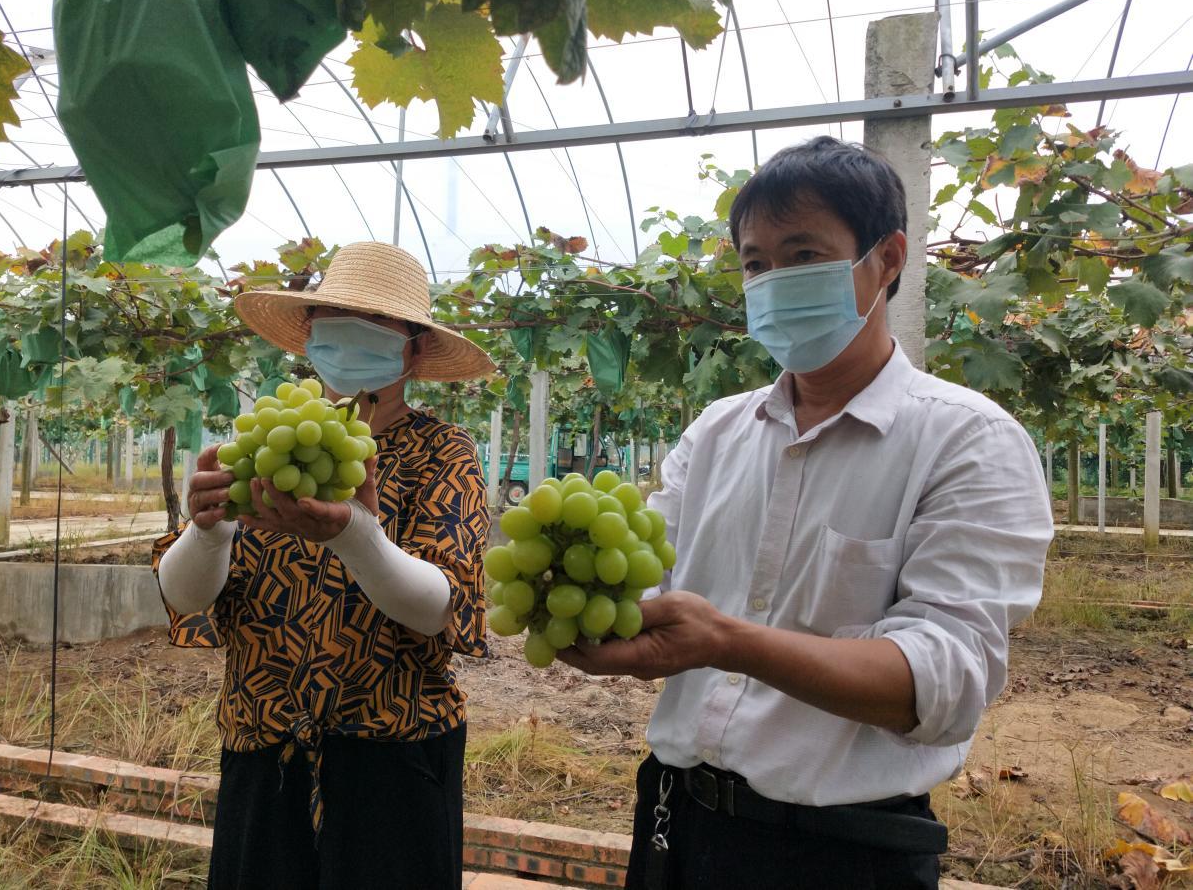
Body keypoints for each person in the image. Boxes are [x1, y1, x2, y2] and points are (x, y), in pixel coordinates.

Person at [559, 136, 1053, 889]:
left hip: (839, 855)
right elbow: (647, 582)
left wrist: (727, 641)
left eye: (801, 256)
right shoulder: (716, 433)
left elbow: (943, 682)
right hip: (674, 823)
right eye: (755, 263)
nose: (772, 281)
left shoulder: (968, 441)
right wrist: (590, 606)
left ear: (886, 259)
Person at [151, 242, 496, 889]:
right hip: (263, 749)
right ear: (307, 335)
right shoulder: (259, 441)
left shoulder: (441, 452)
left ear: (414, 350)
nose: (346, 340)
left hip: (393, 759)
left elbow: (439, 607)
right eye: (330, 321)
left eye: (372, 326)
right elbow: (187, 595)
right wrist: (207, 533)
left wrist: (357, 538)